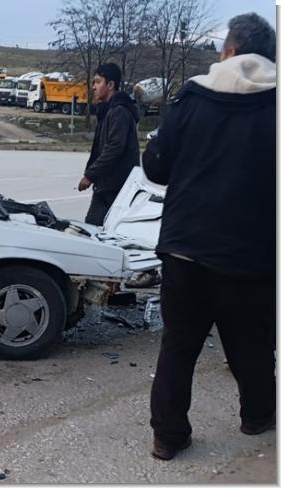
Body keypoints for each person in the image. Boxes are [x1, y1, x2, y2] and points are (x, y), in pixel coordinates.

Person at [142, 13, 276, 460]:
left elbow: (155, 166)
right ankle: (257, 416)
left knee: (178, 346)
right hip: (251, 255)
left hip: (184, 249)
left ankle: (168, 437)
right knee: (252, 344)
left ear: (230, 50)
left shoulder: (191, 98)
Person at [78, 63, 139, 226]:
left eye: (98, 82)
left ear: (110, 85)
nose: (93, 87)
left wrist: (90, 175)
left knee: (93, 229)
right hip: (107, 185)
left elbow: (114, 148)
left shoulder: (119, 111)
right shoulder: (108, 111)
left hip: (115, 187)